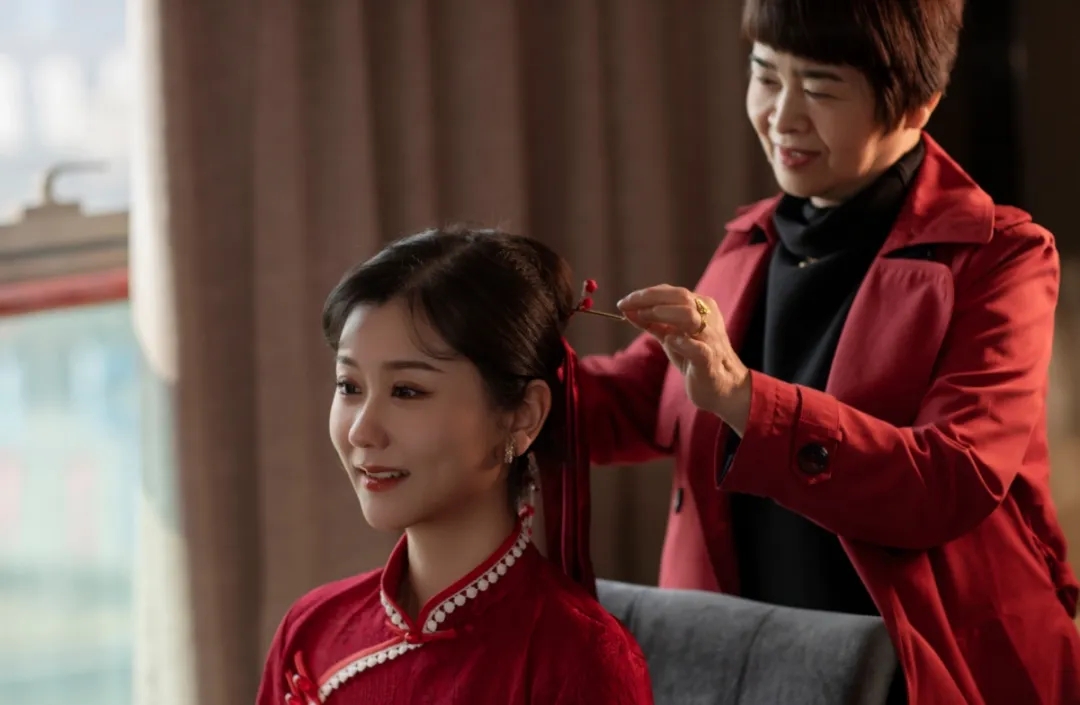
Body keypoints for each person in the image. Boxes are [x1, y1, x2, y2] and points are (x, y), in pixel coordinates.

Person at [579, 0, 1080, 703]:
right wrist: (492, 365)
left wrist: (745, 398)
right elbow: (638, 400)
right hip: (752, 660)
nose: (780, 116)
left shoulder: (1001, 258)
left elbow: (949, 479)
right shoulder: (754, 238)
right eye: (765, 76)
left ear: (918, 104)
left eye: (819, 87)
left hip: (926, 663)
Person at [255, 228, 653, 705]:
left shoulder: (580, 659)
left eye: (407, 391)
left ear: (521, 416)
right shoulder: (311, 629)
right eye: (349, 386)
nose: (362, 431)